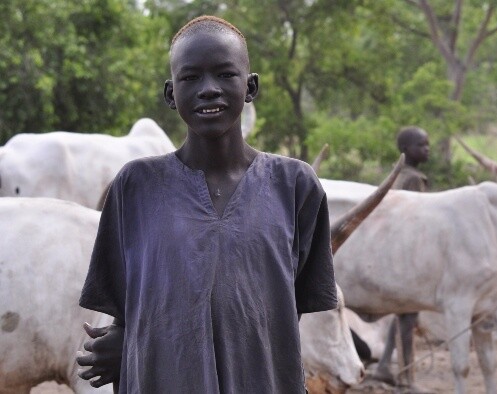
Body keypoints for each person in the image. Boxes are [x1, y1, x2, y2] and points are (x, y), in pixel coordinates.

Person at [75, 15, 337, 393]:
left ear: (250, 86)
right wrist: (124, 342)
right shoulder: (135, 187)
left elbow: (284, 310)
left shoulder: (294, 186)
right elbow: (125, 311)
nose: (209, 89)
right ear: (170, 94)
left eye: (225, 74)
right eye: (191, 77)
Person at [371, 126, 429, 391]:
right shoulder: (413, 179)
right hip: (408, 256)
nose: (426, 149)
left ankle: (385, 366)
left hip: (391, 253)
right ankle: (407, 377)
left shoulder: (397, 176)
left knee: (402, 314)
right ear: (406, 150)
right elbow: (416, 221)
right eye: (421, 145)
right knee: (407, 314)